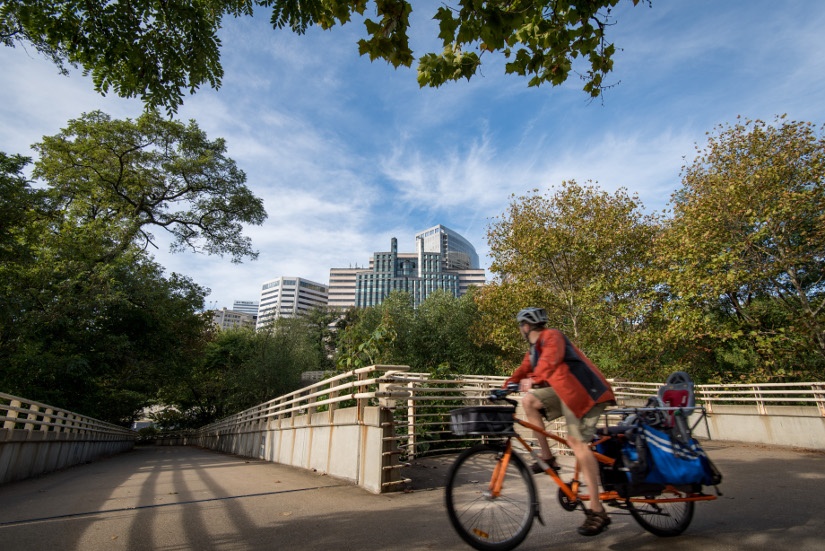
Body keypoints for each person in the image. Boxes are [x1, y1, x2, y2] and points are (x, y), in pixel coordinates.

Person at [504, 307, 616, 536]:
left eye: (520, 326)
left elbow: (550, 363)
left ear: (526, 326)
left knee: (576, 442)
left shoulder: (552, 336)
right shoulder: (533, 350)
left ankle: (597, 510)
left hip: (588, 392)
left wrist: (532, 379)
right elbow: (523, 370)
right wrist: (504, 386)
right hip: (566, 392)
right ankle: (548, 457)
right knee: (529, 402)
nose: (520, 330)